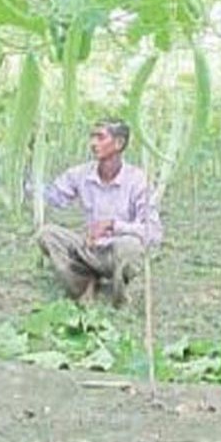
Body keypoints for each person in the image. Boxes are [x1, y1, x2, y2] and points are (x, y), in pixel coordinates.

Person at [30, 118, 162, 307]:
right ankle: (84, 285)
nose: (93, 143)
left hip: (117, 254)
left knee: (130, 246)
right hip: (89, 248)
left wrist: (113, 226)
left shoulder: (137, 180)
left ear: (119, 143)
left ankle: (120, 296)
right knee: (48, 235)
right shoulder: (81, 174)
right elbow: (54, 196)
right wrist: (30, 170)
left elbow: (154, 233)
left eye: (100, 137)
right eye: (92, 137)